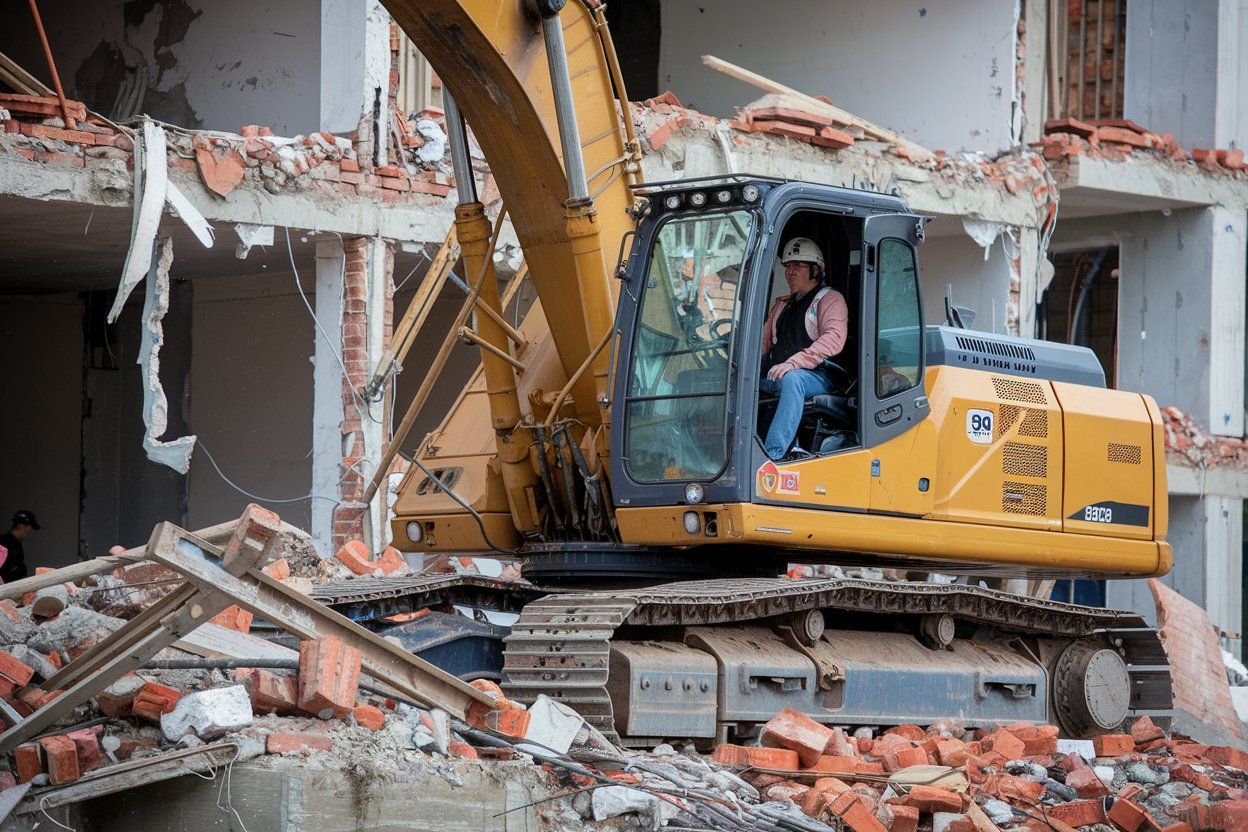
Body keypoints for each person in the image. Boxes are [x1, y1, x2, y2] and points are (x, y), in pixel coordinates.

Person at [759, 237, 849, 460]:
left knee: (794, 380)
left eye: (798, 267)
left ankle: (773, 455)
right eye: (788, 267)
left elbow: (833, 338)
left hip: (817, 376)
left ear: (815, 270)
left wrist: (794, 363)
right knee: (742, 383)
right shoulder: (783, 305)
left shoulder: (829, 299)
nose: (790, 272)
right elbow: (761, 343)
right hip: (779, 373)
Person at [0, 510, 39, 583]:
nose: (29, 531)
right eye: (29, 528)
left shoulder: (16, 544)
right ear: (22, 526)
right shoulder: (3, 543)